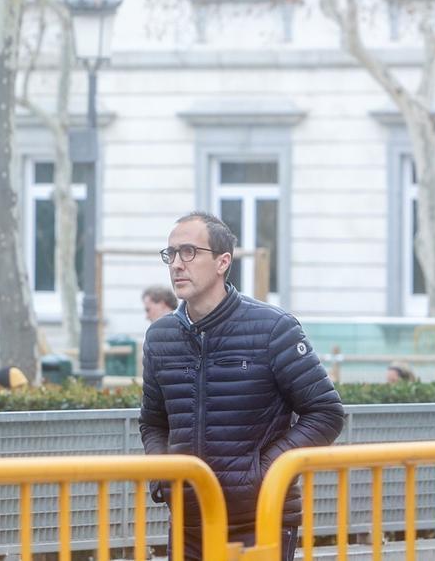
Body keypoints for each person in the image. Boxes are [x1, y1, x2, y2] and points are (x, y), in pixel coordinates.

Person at [139, 212, 344, 561]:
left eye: (188, 252)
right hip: (189, 521)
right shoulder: (160, 337)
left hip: (261, 520)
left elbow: (325, 413)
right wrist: (164, 475)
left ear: (222, 262)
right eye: (170, 254)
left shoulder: (273, 328)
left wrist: (263, 474)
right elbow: (153, 421)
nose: (176, 264)